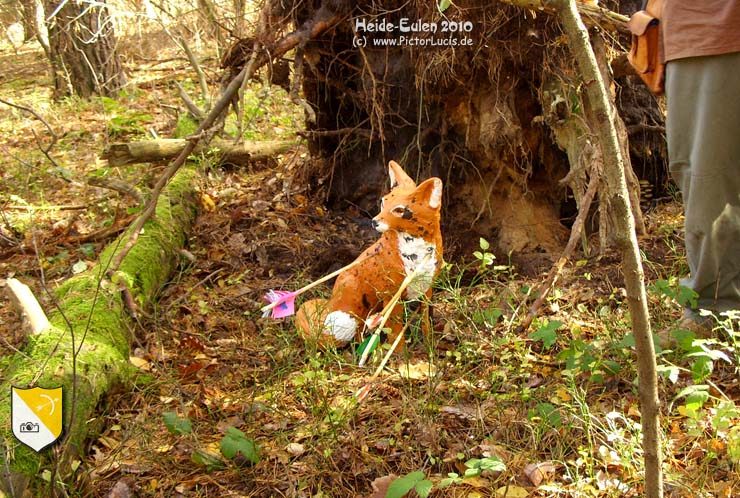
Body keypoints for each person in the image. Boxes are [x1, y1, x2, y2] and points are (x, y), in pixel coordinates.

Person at [661, 1, 740, 342]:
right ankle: (715, 310)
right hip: (693, 33)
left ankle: (716, 312)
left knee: (710, 177)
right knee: (701, 175)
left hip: (720, 29)